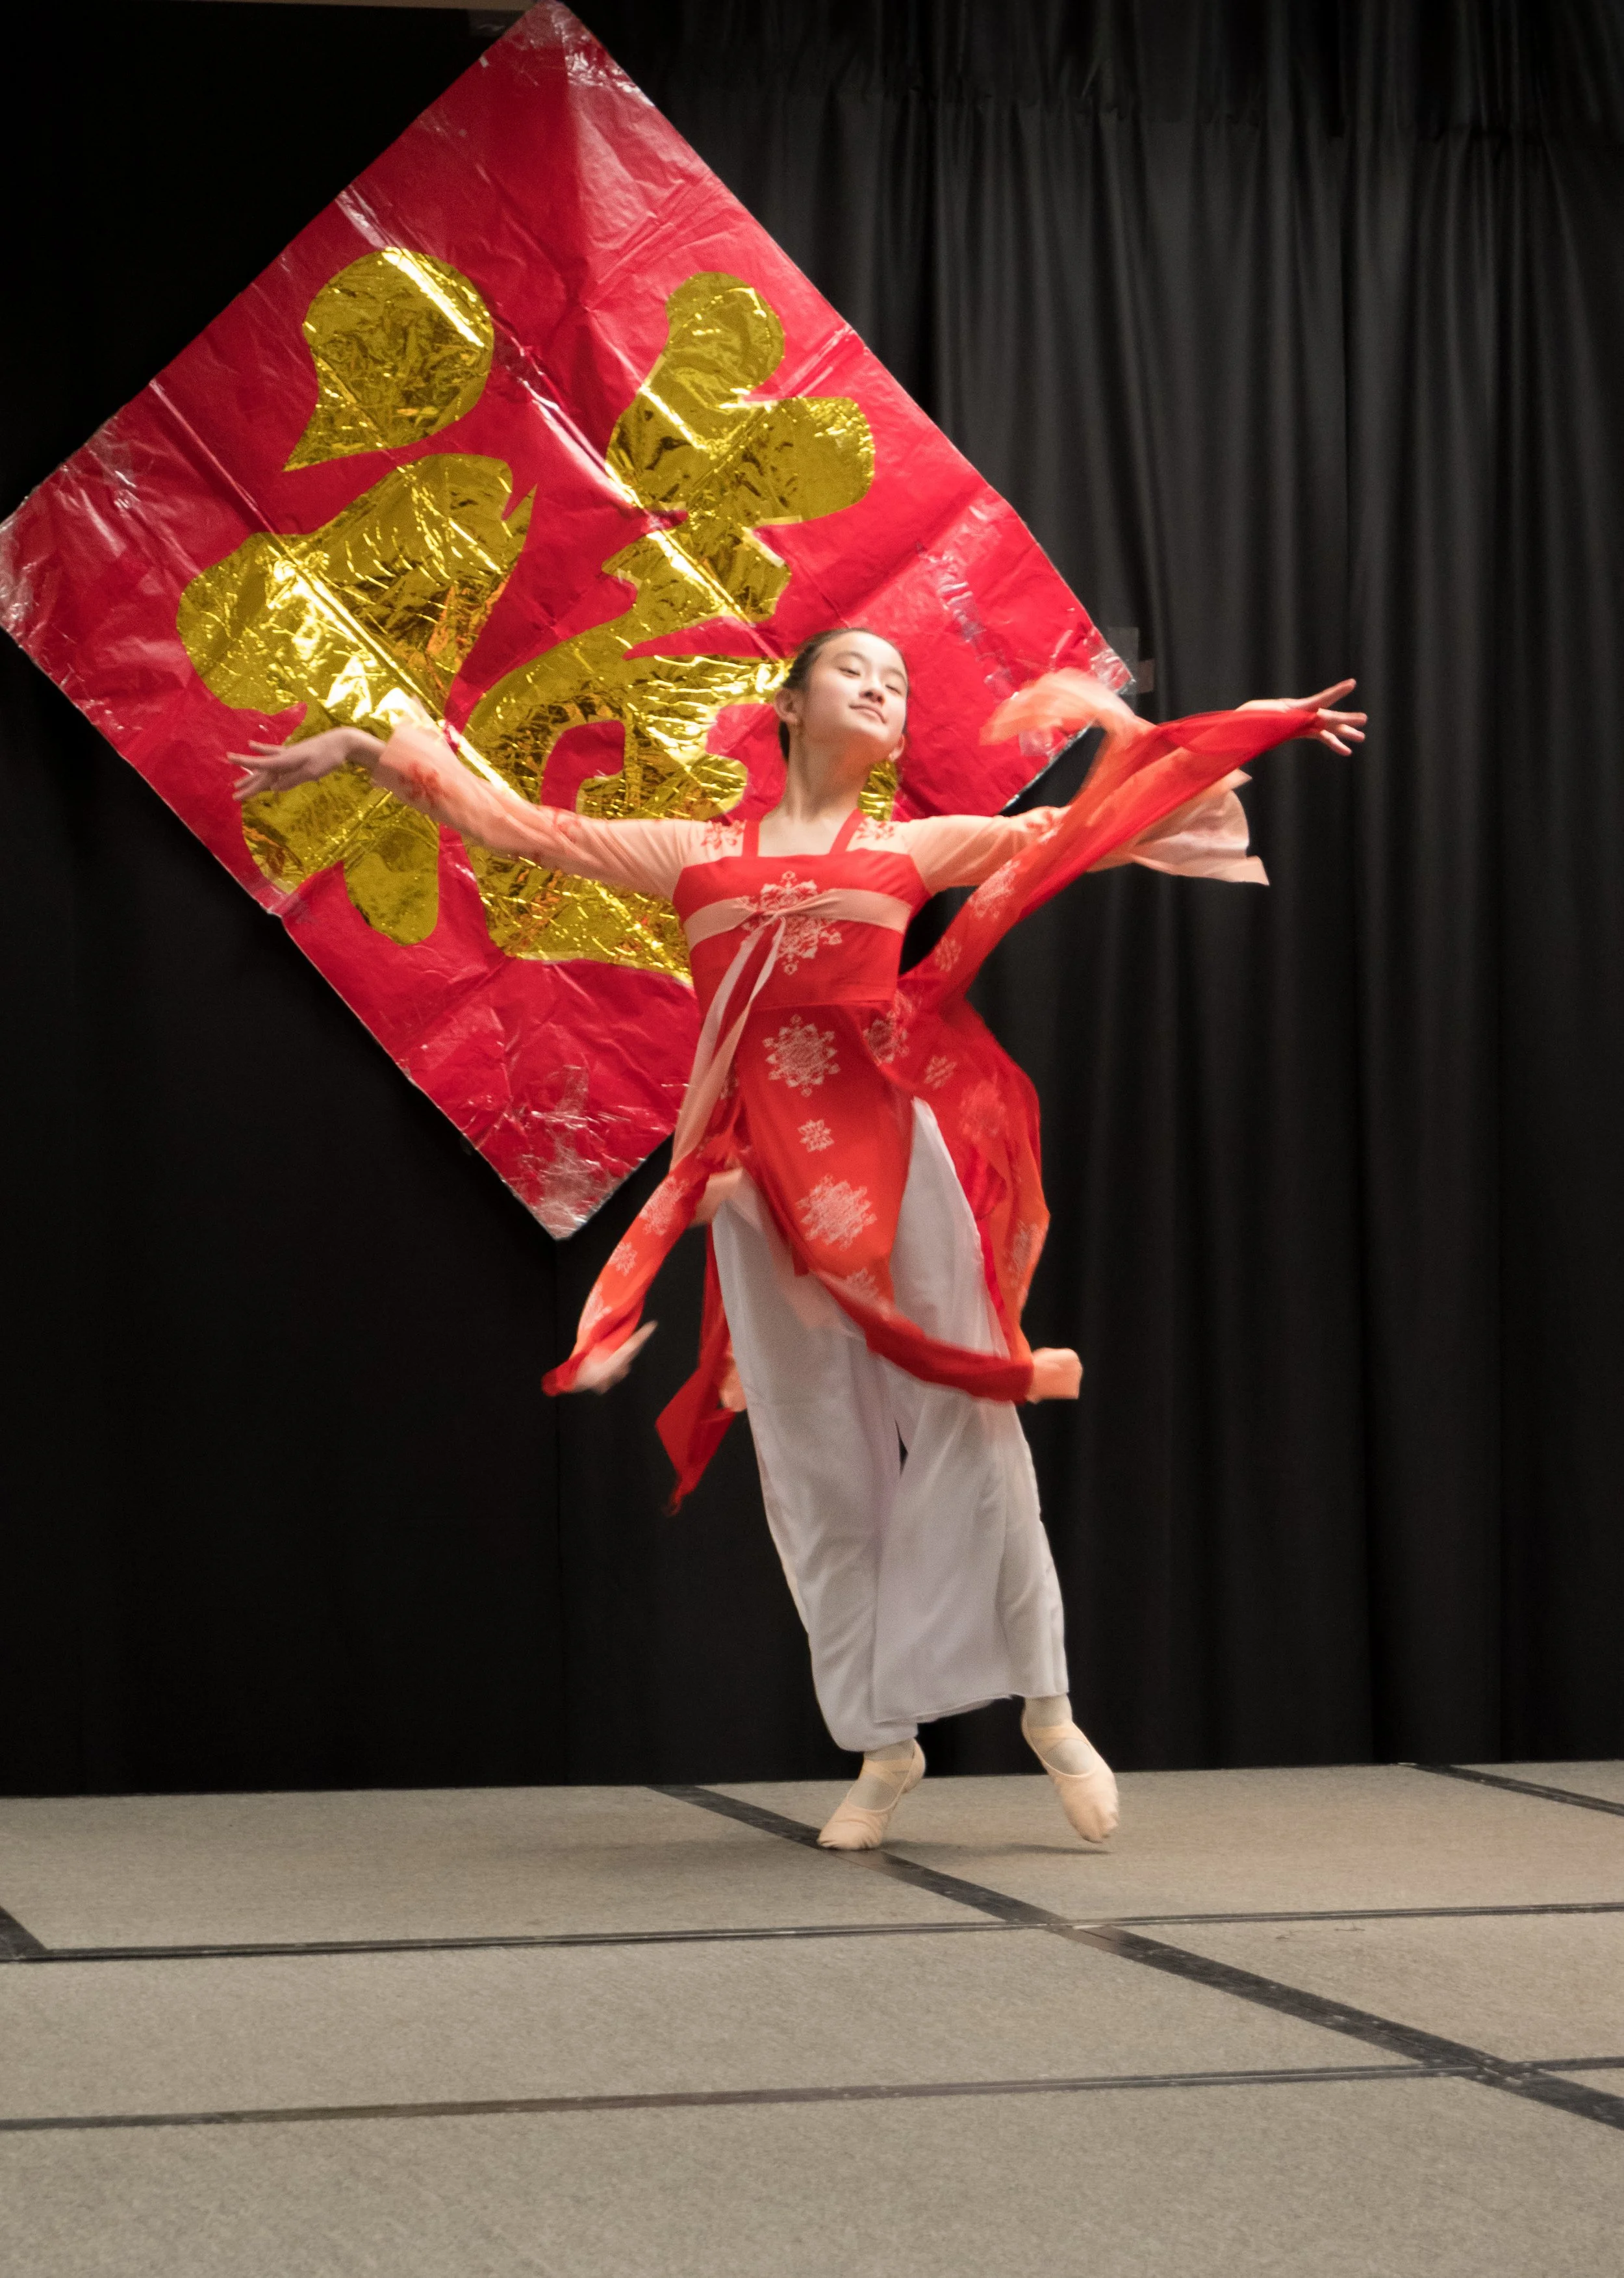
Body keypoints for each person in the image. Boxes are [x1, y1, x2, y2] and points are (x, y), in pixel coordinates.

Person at [232, 633, 1363, 1849]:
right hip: (757, 1175)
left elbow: (1089, 828)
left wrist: (1243, 727)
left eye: (898, 679)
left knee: (970, 1411)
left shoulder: (914, 846)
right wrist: (362, 747)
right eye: (856, 671)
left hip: (892, 1150)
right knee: (815, 1451)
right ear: (788, 701)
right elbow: (521, 828)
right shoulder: (697, 853)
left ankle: (1048, 1704)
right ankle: (884, 1744)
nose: (884, 686)